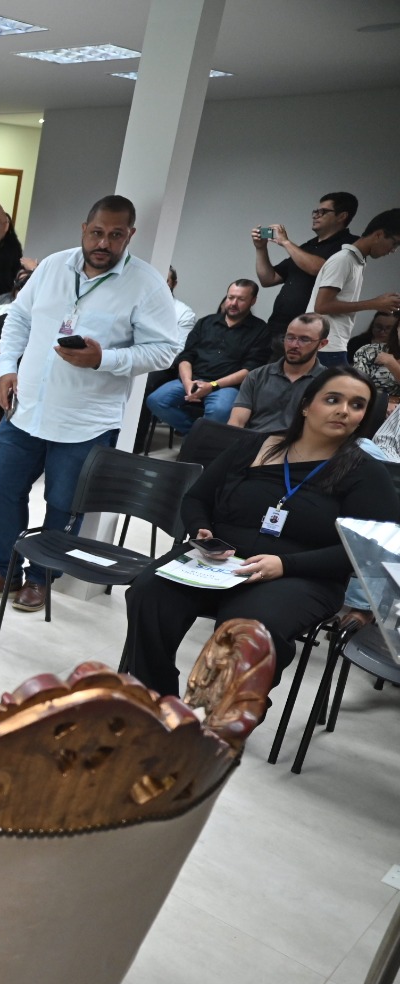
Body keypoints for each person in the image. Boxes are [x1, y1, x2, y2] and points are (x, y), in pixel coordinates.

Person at [0, 195, 181, 612]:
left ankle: (40, 579)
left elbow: (164, 350)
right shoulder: (53, 267)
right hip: (26, 408)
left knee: (62, 503)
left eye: (116, 235)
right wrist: (7, 367)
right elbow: (19, 318)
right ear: (84, 228)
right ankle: (5, 570)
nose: (104, 243)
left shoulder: (147, 285)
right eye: (97, 232)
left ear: (130, 235)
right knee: (3, 486)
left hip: (85, 421)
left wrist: (104, 359)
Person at [124, 366, 399, 696]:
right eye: (332, 399)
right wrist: (201, 529)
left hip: (301, 576)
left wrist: (285, 565)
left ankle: (223, 719)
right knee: (149, 591)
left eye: (357, 405)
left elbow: (369, 551)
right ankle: (153, 698)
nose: (344, 410)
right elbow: (197, 498)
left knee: (249, 627)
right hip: (221, 561)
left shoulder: (365, 473)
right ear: (306, 404)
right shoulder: (254, 446)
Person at [145, 280, 273, 436]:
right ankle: (195, 435)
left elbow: (250, 370)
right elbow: (186, 356)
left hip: (226, 386)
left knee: (220, 410)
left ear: (253, 301)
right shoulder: (206, 323)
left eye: (241, 299)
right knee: (156, 400)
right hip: (193, 379)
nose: (233, 303)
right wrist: (187, 382)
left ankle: (197, 439)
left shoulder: (260, 330)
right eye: (230, 297)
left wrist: (212, 385)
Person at [254, 192, 360, 340]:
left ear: (342, 216)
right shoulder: (307, 246)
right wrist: (261, 248)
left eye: (322, 212)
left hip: (309, 332)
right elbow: (268, 279)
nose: (315, 215)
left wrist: (285, 242)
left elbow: (319, 269)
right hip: (278, 326)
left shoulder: (350, 244)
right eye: (315, 211)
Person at [310, 209, 400, 366]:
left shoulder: (356, 261)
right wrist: (375, 304)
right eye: (395, 243)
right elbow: (322, 306)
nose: (394, 250)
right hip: (327, 345)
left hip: (331, 344)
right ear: (379, 235)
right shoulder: (344, 260)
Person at [229, 314, 330, 434]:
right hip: (255, 440)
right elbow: (236, 423)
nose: (294, 345)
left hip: (299, 443)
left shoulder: (328, 382)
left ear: (322, 344)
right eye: (290, 337)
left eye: (304, 339)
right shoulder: (257, 376)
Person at [354, 314, 400, 402]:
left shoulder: (389, 360)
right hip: (369, 404)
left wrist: (391, 363)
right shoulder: (370, 351)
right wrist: (384, 399)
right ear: (397, 328)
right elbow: (356, 385)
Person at [167, 268, 197, 336]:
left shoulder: (184, 313)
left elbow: (181, 342)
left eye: (166, 280)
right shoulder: (142, 306)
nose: (160, 284)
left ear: (174, 284)